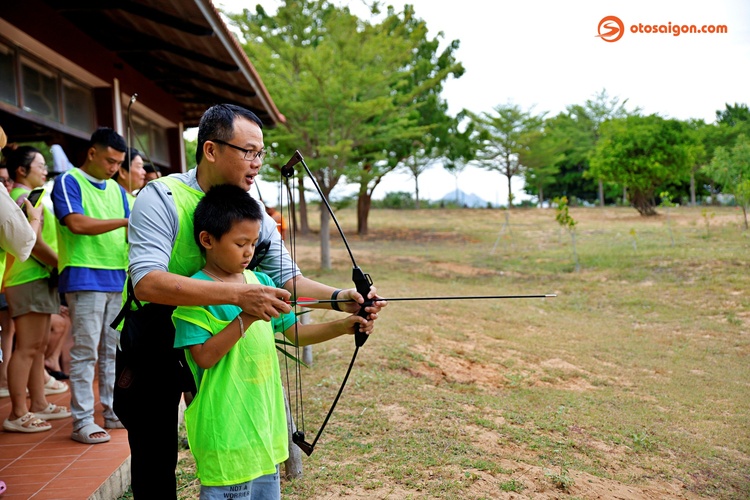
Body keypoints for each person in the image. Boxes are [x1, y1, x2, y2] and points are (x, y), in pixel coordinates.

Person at [114, 103, 385, 498]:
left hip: (223, 332)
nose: (257, 163)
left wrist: (340, 299)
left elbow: (286, 278)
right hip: (153, 339)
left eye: (261, 153)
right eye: (249, 151)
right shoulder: (163, 196)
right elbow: (147, 282)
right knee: (154, 459)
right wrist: (241, 296)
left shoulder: (252, 210)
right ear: (211, 150)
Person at [173, 184, 372, 498]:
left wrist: (347, 325)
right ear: (207, 240)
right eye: (240, 243)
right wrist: (246, 315)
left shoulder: (261, 282)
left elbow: (295, 334)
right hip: (225, 436)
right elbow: (203, 357)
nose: (249, 252)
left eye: (253, 243)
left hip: (264, 431)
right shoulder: (195, 293)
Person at [51, 127, 130, 444]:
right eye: (109, 160)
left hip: (117, 278)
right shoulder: (69, 181)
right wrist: (125, 222)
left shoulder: (119, 192)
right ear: (92, 153)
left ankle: (112, 412)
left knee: (113, 352)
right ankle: (82, 421)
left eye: (119, 163)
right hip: (83, 276)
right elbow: (76, 223)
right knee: (84, 352)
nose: (113, 168)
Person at [2, 145, 70, 432]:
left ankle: (38, 404)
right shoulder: (24, 198)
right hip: (27, 277)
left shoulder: (27, 196)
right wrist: (62, 266)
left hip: (36, 278)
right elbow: (34, 242)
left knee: (37, 347)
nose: (45, 171)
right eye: (40, 165)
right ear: (22, 170)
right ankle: (18, 412)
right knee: (27, 348)